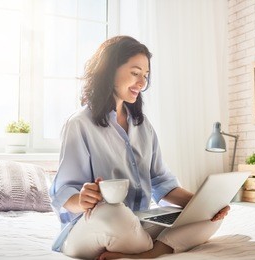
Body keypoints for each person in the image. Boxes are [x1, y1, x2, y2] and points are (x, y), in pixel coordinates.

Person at [49, 35, 230, 260]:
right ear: (109, 70)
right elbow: (64, 191)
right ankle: (155, 247)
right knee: (113, 213)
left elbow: (161, 183)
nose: (142, 83)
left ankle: (142, 254)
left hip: (136, 222)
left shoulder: (143, 126)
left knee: (211, 219)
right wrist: (82, 199)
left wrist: (202, 205)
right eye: (135, 73)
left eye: (145, 76)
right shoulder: (79, 124)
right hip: (90, 227)